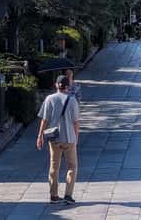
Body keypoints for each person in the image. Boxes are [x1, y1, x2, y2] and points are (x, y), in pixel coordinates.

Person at [36, 75, 80, 204]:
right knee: (72, 166)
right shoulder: (72, 100)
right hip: (69, 138)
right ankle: (68, 195)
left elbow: (44, 120)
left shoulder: (49, 99)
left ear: (56, 85)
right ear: (68, 86)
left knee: (54, 166)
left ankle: (54, 195)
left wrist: (40, 136)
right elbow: (76, 122)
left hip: (54, 137)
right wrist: (76, 137)